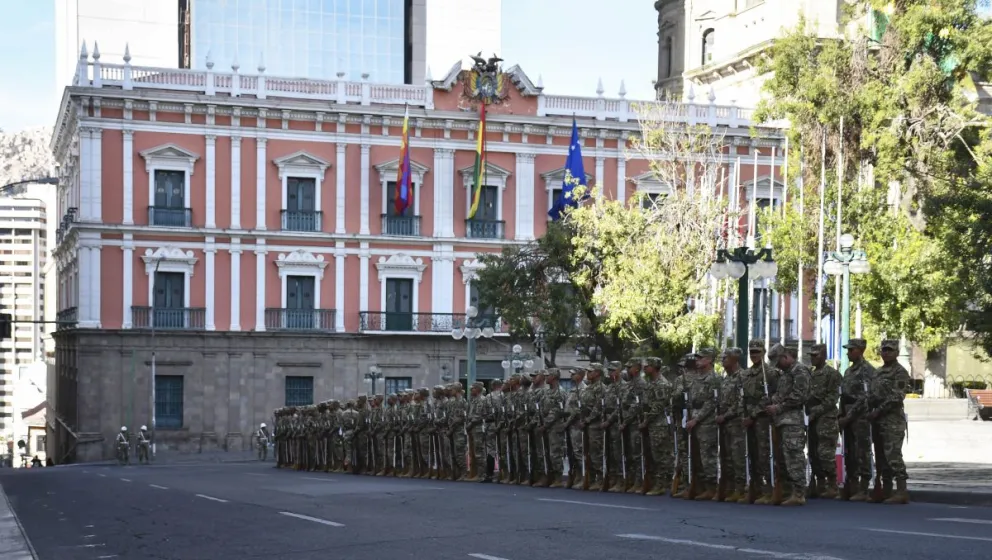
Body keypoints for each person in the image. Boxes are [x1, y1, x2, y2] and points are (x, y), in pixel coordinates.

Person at [766, 344, 812, 506]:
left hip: (793, 421)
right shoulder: (786, 373)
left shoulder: (799, 371)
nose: (777, 366)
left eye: (778, 362)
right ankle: (788, 491)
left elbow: (799, 396)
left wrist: (778, 407)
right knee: (784, 458)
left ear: (785, 356)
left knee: (794, 456)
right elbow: (781, 395)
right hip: (782, 420)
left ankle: (799, 492)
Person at [868, 339, 911, 504]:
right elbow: (871, 395)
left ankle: (901, 490)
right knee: (880, 457)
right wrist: (868, 408)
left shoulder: (900, 372)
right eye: (884, 350)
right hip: (877, 420)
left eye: (889, 350)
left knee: (893, 455)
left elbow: (896, 397)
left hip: (892, 420)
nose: (886, 353)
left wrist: (878, 410)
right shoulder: (878, 372)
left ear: (897, 353)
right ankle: (885, 490)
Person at [805, 344, 841, 498]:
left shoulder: (832, 374)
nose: (813, 358)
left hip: (826, 419)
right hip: (811, 419)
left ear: (824, 356)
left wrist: (816, 411)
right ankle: (819, 483)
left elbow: (832, 398)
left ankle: (832, 484)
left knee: (825, 453)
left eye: (816, 355)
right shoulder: (810, 374)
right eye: (811, 355)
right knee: (813, 452)